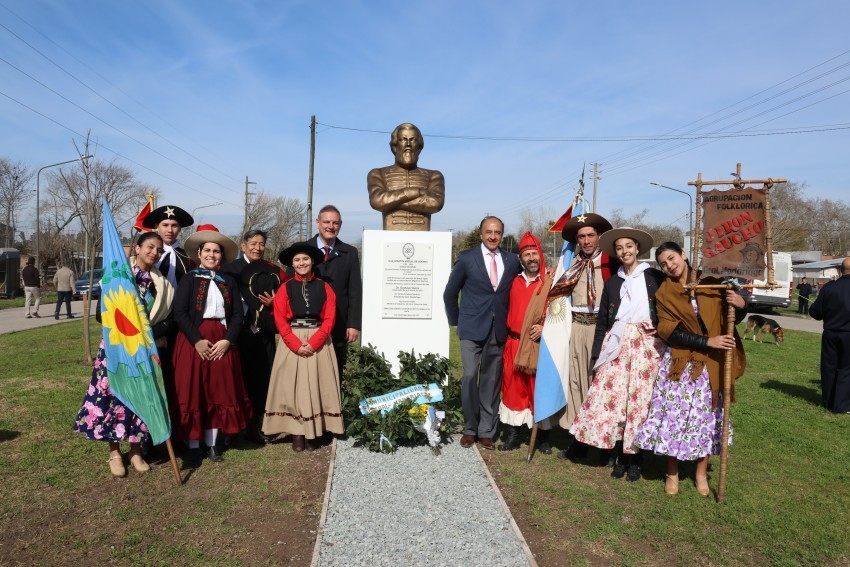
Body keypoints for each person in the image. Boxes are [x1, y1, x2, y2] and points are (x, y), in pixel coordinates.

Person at [634, 241, 747, 496]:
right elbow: (669, 332)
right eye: (663, 264)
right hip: (681, 363)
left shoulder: (711, 283)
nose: (669, 266)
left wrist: (742, 305)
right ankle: (672, 473)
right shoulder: (664, 293)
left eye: (672, 258)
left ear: (683, 255)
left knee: (707, 418)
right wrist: (707, 341)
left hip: (711, 364)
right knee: (673, 418)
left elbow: (728, 317)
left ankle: (700, 474)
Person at [73, 232, 175, 477]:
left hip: (142, 350)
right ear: (137, 248)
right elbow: (101, 315)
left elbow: (167, 319)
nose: (154, 253)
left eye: (159, 250)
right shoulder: (118, 275)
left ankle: (136, 451)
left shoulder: (160, 284)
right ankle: (115, 453)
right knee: (114, 397)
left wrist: (148, 333)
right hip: (116, 347)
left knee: (140, 396)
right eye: (150, 247)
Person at [568, 228, 665, 481]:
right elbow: (603, 320)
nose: (625, 252)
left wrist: (661, 328)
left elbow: (668, 309)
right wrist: (597, 354)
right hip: (618, 344)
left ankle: (636, 459)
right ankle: (620, 456)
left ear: (637, 248)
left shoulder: (654, 276)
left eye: (629, 246)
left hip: (646, 346)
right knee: (615, 401)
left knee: (639, 402)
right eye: (620, 248)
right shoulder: (613, 282)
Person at [171, 224, 252, 467]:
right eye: (207, 250)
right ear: (199, 253)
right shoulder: (189, 279)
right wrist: (196, 340)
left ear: (222, 256)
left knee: (218, 390)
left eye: (216, 251)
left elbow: (237, 315)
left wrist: (228, 340)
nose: (211, 255)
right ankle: (193, 446)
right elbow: (180, 313)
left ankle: (213, 443)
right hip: (194, 340)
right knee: (194, 390)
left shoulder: (228, 281)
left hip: (221, 341)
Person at [443, 216, 520, 450]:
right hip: (470, 329)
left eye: (497, 232)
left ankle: (486, 430)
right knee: (469, 377)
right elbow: (449, 294)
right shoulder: (467, 259)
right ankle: (470, 428)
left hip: (498, 330)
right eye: (488, 232)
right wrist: (457, 322)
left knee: (490, 381)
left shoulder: (512, 260)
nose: (493, 236)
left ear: (502, 235)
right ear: (481, 234)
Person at [550, 213, 618, 461]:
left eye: (590, 235)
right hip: (576, 326)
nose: (586, 241)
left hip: (602, 329)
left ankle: (605, 443)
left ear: (599, 236)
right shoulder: (572, 264)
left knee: (601, 384)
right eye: (582, 237)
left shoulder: (611, 262)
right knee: (576, 382)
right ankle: (577, 439)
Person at [264, 242, 344, 451]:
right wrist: (296, 345)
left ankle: (314, 431)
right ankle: (297, 432)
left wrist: (315, 342)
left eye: (305, 259)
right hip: (293, 341)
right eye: (297, 260)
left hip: (319, 340)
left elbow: (330, 317)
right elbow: (280, 319)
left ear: (312, 261)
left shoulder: (325, 287)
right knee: (293, 387)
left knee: (317, 385)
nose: (301, 263)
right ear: (292, 264)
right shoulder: (285, 288)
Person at [222, 229, 286, 444]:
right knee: (236, 380)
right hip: (238, 334)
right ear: (243, 246)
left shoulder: (272, 271)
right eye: (253, 243)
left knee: (263, 380)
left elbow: (286, 298)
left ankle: (256, 425)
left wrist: (275, 303)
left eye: (261, 244)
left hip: (264, 333)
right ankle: (233, 428)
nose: (257, 248)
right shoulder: (230, 270)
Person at [498, 232, 553, 453]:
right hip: (514, 342)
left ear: (541, 255)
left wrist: (545, 327)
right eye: (527, 255)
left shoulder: (550, 282)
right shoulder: (513, 282)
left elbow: (559, 313)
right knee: (513, 389)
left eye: (534, 253)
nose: (531, 258)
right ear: (520, 259)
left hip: (538, 344)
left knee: (538, 390)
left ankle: (543, 437)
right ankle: (513, 435)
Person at [304, 205, 362, 378]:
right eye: (326, 222)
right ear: (318, 223)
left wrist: (353, 324)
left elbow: (354, 290)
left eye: (335, 223)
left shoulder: (350, 253)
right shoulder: (303, 249)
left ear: (340, 225)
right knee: (309, 371)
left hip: (338, 323)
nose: (331, 226)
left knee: (334, 371)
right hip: (308, 323)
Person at [367, 122, 445, 231]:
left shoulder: (434, 175)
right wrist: (416, 192)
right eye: (403, 139)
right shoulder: (378, 174)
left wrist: (390, 202)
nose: (408, 144)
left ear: (419, 147)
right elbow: (377, 201)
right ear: (395, 146)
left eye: (413, 140)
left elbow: (436, 203)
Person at [809, 258, 850, 413]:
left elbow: (816, 312)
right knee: (846, 368)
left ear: (841, 270)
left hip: (831, 332)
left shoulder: (830, 287)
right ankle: (842, 404)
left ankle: (828, 401)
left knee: (829, 367)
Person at [142, 205, 195, 289]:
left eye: (174, 225)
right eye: (165, 225)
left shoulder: (188, 257)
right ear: (156, 227)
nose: (170, 230)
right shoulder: (148, 254)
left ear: (179, 229)